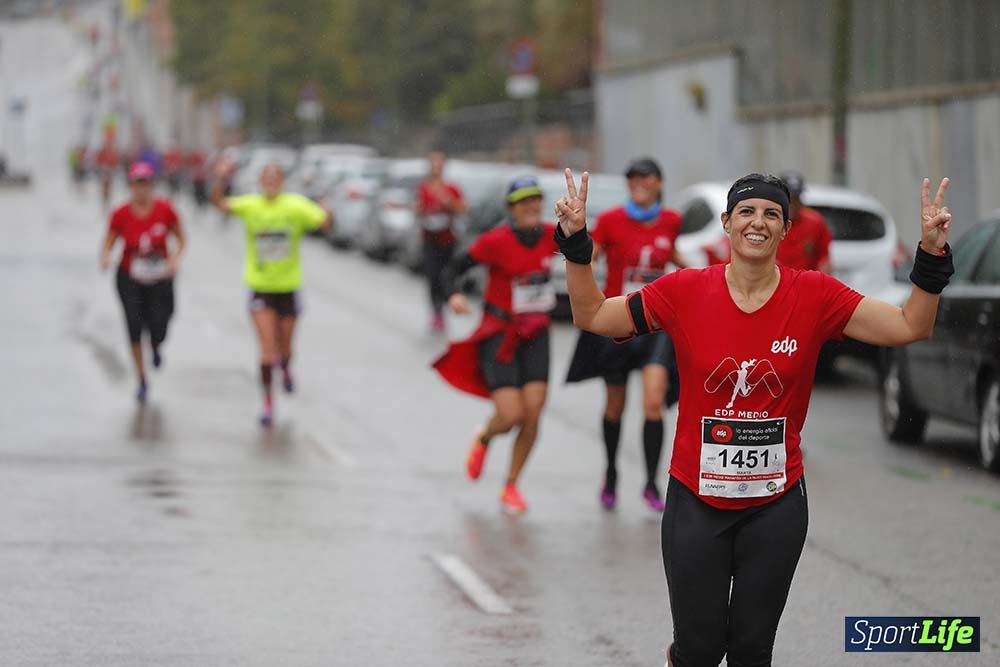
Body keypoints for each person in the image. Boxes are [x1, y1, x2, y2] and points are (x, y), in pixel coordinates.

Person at [554, 169, 952, 667]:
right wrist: (574, 244)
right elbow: (592, 314)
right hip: (696, 499)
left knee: (749, 651)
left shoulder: (815, 296)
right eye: (746, 211)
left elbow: (911, 324)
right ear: (726, 222)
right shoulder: (683, 291)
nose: (757, 223)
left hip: (775, 504)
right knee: (700, 651)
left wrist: (932, 253)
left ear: (787, 228)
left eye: (771, 214)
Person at [565, 157, 687, 512]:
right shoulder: (612, 220)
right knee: (615, 404)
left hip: (656, 323)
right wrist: (578, 263)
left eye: (645, 177)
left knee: (653, 402)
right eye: (632, 177)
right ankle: (612, 473)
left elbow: (673, 255)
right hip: (619, 320)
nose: (638, 182)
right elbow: (590, 258)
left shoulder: (672, 221)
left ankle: (651, 482)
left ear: (659, 183)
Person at [432, 176, 557, 514]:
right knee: (511, 414)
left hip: (537, 334)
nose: (532, 206)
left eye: (536, 200)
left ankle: (511, 485)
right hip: (500, 333)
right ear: (511, 208)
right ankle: (485, 437)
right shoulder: (495, 241)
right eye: (523, 201)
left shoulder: (550, 236)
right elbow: (452, 269)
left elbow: (584, 250)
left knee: (532, 413)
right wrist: (454, 294)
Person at [211, 160, 333, 427]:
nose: (270, 182)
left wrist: (326, 209)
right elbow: (219, 203)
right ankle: (268, 402)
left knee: (285, 349)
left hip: (288, 287)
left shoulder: (295, 205)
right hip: (261, 287)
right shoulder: (251, 204)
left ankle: (286, 367)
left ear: (282, 182)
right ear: (259, 182)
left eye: (274, 177)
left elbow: (324, 224)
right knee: (267, 350)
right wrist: (220, 179)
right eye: (265, 178)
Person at [100, 162, 186, 403]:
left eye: (145, 183)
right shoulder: (121, 213)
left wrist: (175, 259)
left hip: (160, 277)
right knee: (134, 324)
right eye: (137, 184)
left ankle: (156, 346)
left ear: (152, 185)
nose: (141, 189)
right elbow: (109, 240)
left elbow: (181, 239)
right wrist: (106, 256)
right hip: (130, 276)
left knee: (160, 322)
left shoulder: (165, 210)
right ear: (130, 186)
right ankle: (141, 378)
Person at [415, 150, 467, 333]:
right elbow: (416, 210)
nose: (436, 168)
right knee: (432, 276)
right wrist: (422, 209)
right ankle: (436, 312)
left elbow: (463, 209)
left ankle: (447, 304)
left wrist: (449, 203)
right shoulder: (423, 188)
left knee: (447, 274)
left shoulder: (451, 188)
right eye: (433, 165)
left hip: (448, 239)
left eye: (439, 165)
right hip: (430, 240)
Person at [776, 170, 833, 273]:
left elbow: (824, 259)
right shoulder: (771, 221)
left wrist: (822, 284)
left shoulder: (815, 222)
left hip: (805, 283)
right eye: (788, 198)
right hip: (775, 282)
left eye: (796, 198)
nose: (793, 203)